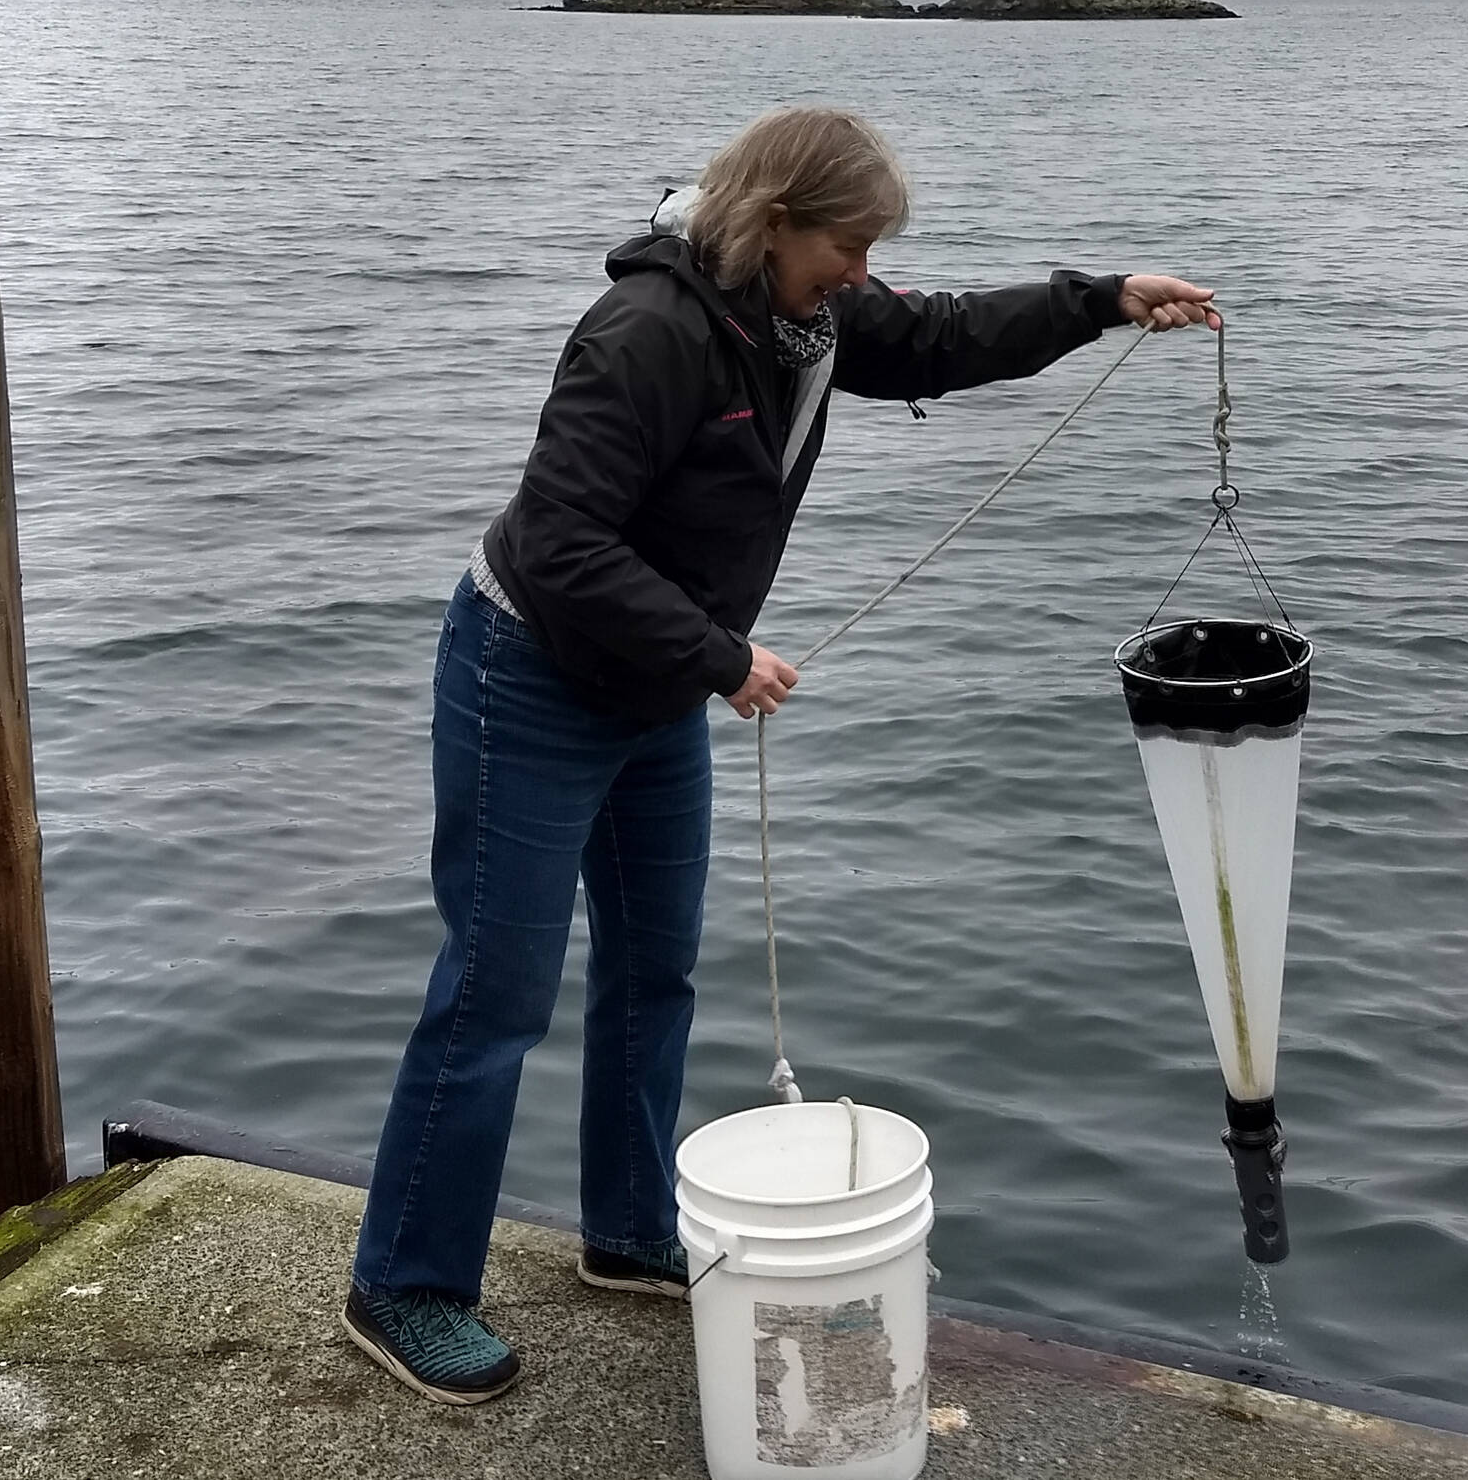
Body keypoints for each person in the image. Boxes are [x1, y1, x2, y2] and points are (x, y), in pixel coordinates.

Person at [343, 105, 1216, 1403]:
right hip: (526, 675)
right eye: (848, 244)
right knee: (496, 994)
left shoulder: (798, 317)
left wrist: (1101, 298)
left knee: (657, 972)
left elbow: (939, 336)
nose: (862, 272)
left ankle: (630, 1232)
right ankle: (405, 1286)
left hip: (652, 690)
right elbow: (569, 543)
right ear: (774, 221)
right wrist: (718, 654)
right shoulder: (646, 334)